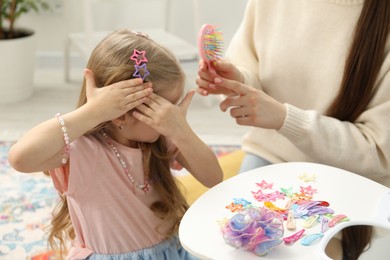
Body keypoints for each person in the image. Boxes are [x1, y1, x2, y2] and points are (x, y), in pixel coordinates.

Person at [8, 29, 223, 259]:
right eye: (164, 108)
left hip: (170, 251)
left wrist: (181, 131)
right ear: (121, 114)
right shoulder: (81, 150)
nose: (172, 116)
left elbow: (213, 178)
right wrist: (92, 113)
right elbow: (19, 158)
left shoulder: (161, 137)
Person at [195, 0, 390, 187]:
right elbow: (249, 68)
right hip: (271, 157)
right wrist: (237, 82)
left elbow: (380, 154)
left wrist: (285, 119)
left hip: (358, 180)